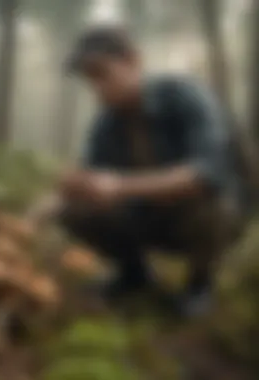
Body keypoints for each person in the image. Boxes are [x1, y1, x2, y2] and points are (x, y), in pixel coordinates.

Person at [28, 25, 246, 318]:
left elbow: (208, 172)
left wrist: (119, 186)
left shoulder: (187, 96)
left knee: (211, 200)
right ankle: (133, 274)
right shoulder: (107, 124)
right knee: (75, 208)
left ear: (133, 61)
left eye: (102, 73)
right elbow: (87, 183)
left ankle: (199, 283)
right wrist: (31, 220)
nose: (97, 86)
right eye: (89, 79)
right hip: (147, 216)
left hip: (208, 218)